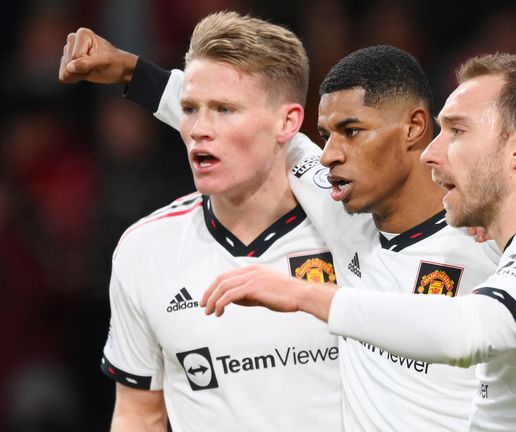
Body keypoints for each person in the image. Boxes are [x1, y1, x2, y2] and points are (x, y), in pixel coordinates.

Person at [200, 53, 516, 431]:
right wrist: (141, 77)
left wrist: (306, 295)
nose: (431, 150)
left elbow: (472, 331)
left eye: (458, 131)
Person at [61, 36, 499, 430]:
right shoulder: (340, 211)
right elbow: (247, 124)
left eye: (350, 132)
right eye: (327, 135)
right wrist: (131, 71)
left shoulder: (497, 247)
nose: (329, 155)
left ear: (414, 128)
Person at [64, 12, 341, 431]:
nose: (198, 130)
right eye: (189, 109)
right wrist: (131, 70)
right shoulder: (145, 249)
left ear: (289, 122)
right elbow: (139, 415)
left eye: (225, 110)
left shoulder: (354, 230)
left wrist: (131, 69)